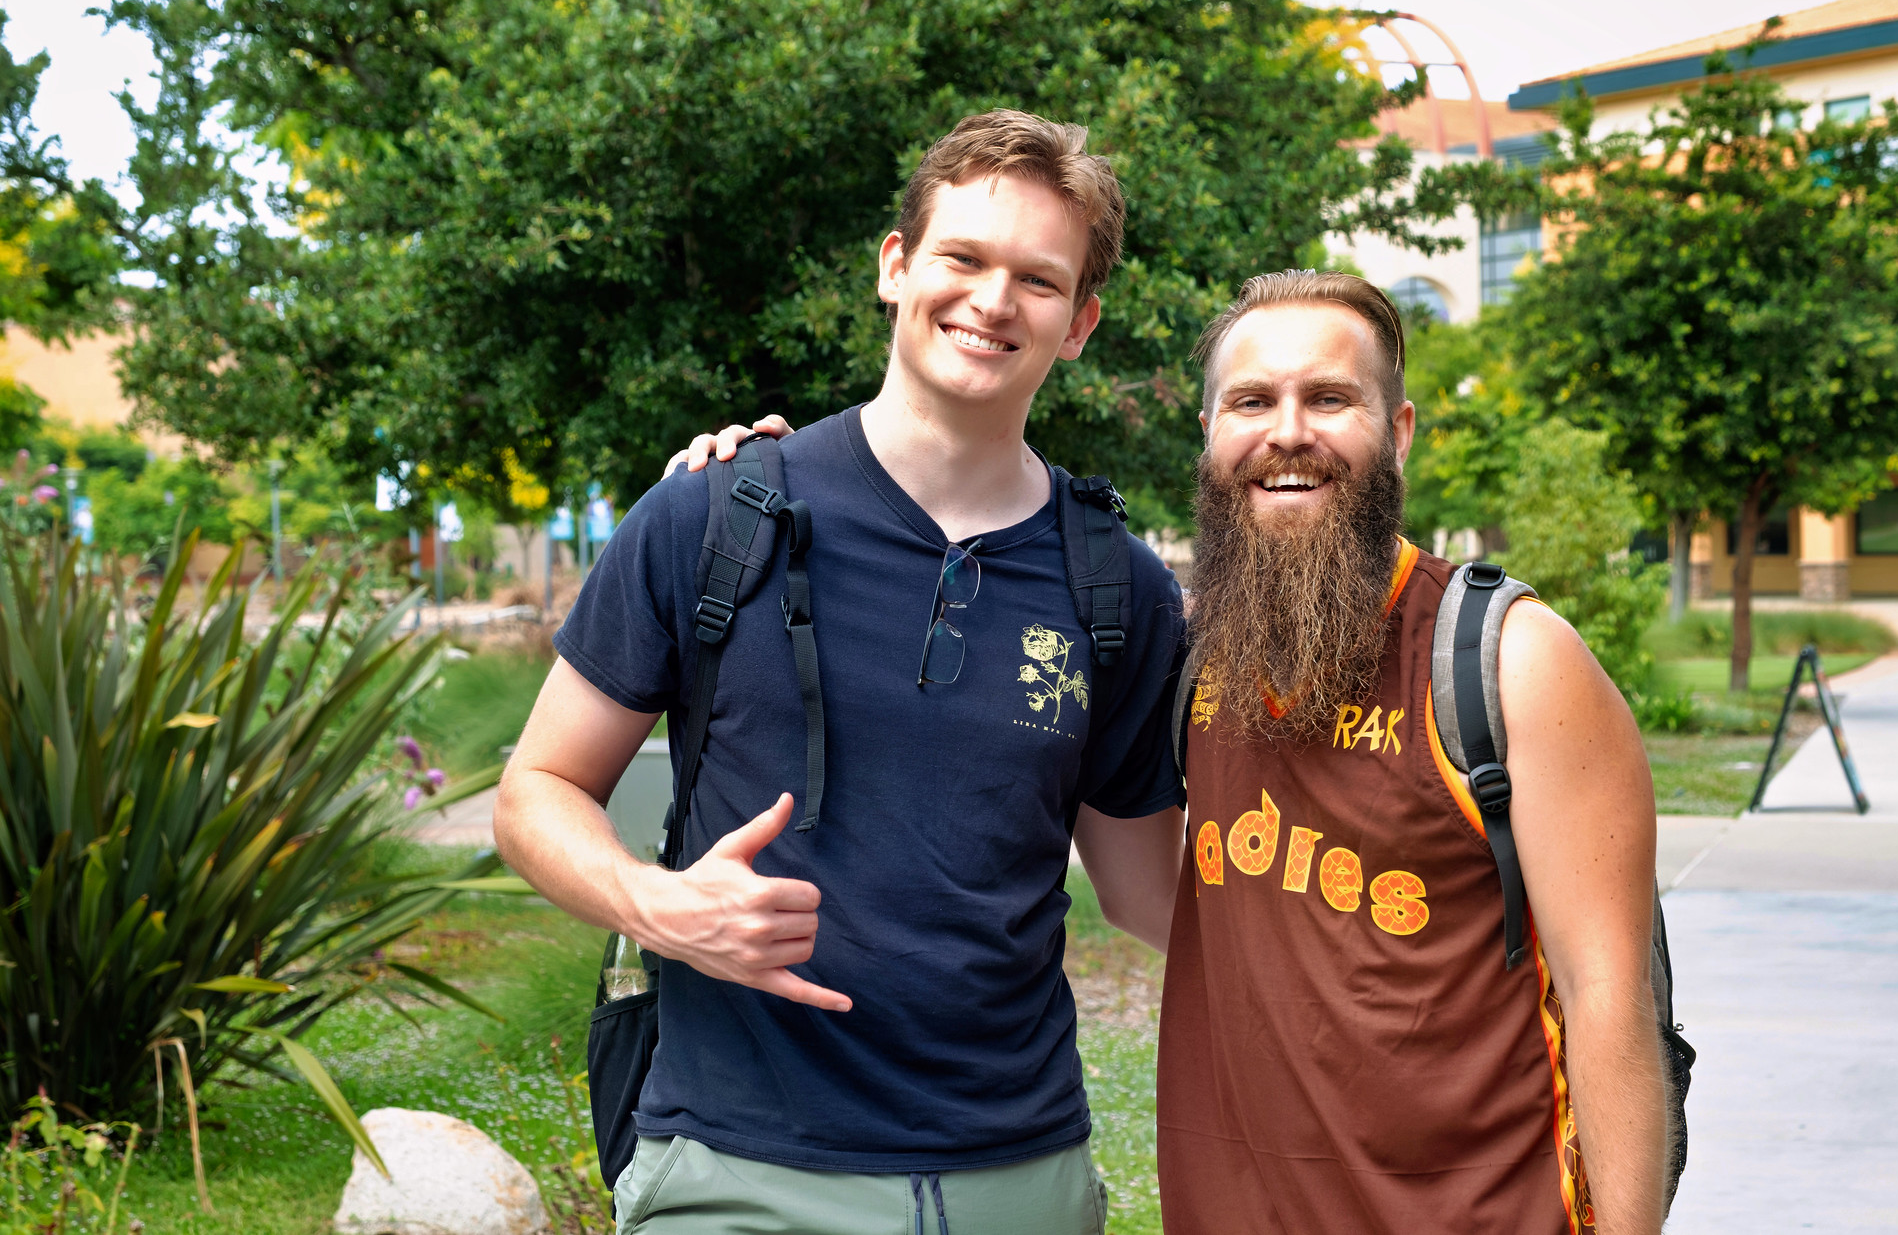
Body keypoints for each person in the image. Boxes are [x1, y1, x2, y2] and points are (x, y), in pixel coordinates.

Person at [492, 109, 1187, 1235]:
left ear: (1079, 324)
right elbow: (533, 796)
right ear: (895, 266)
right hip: (736, 1172)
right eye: (961, 257)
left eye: (1037, 280)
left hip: (1018, 1179)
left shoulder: (1115, 585)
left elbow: (1147, 892)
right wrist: (661, 907)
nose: (991, 300)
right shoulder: (712, 516)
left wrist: (1402, 925)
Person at [1157, 269, 1667, 1234]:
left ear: (1397, 432)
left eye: (1331, 398)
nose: (1288, 432)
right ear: (1211, 432)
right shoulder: (1194, 651)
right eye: (1252, 400)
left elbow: (1609, 1000)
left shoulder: (1510, 660)